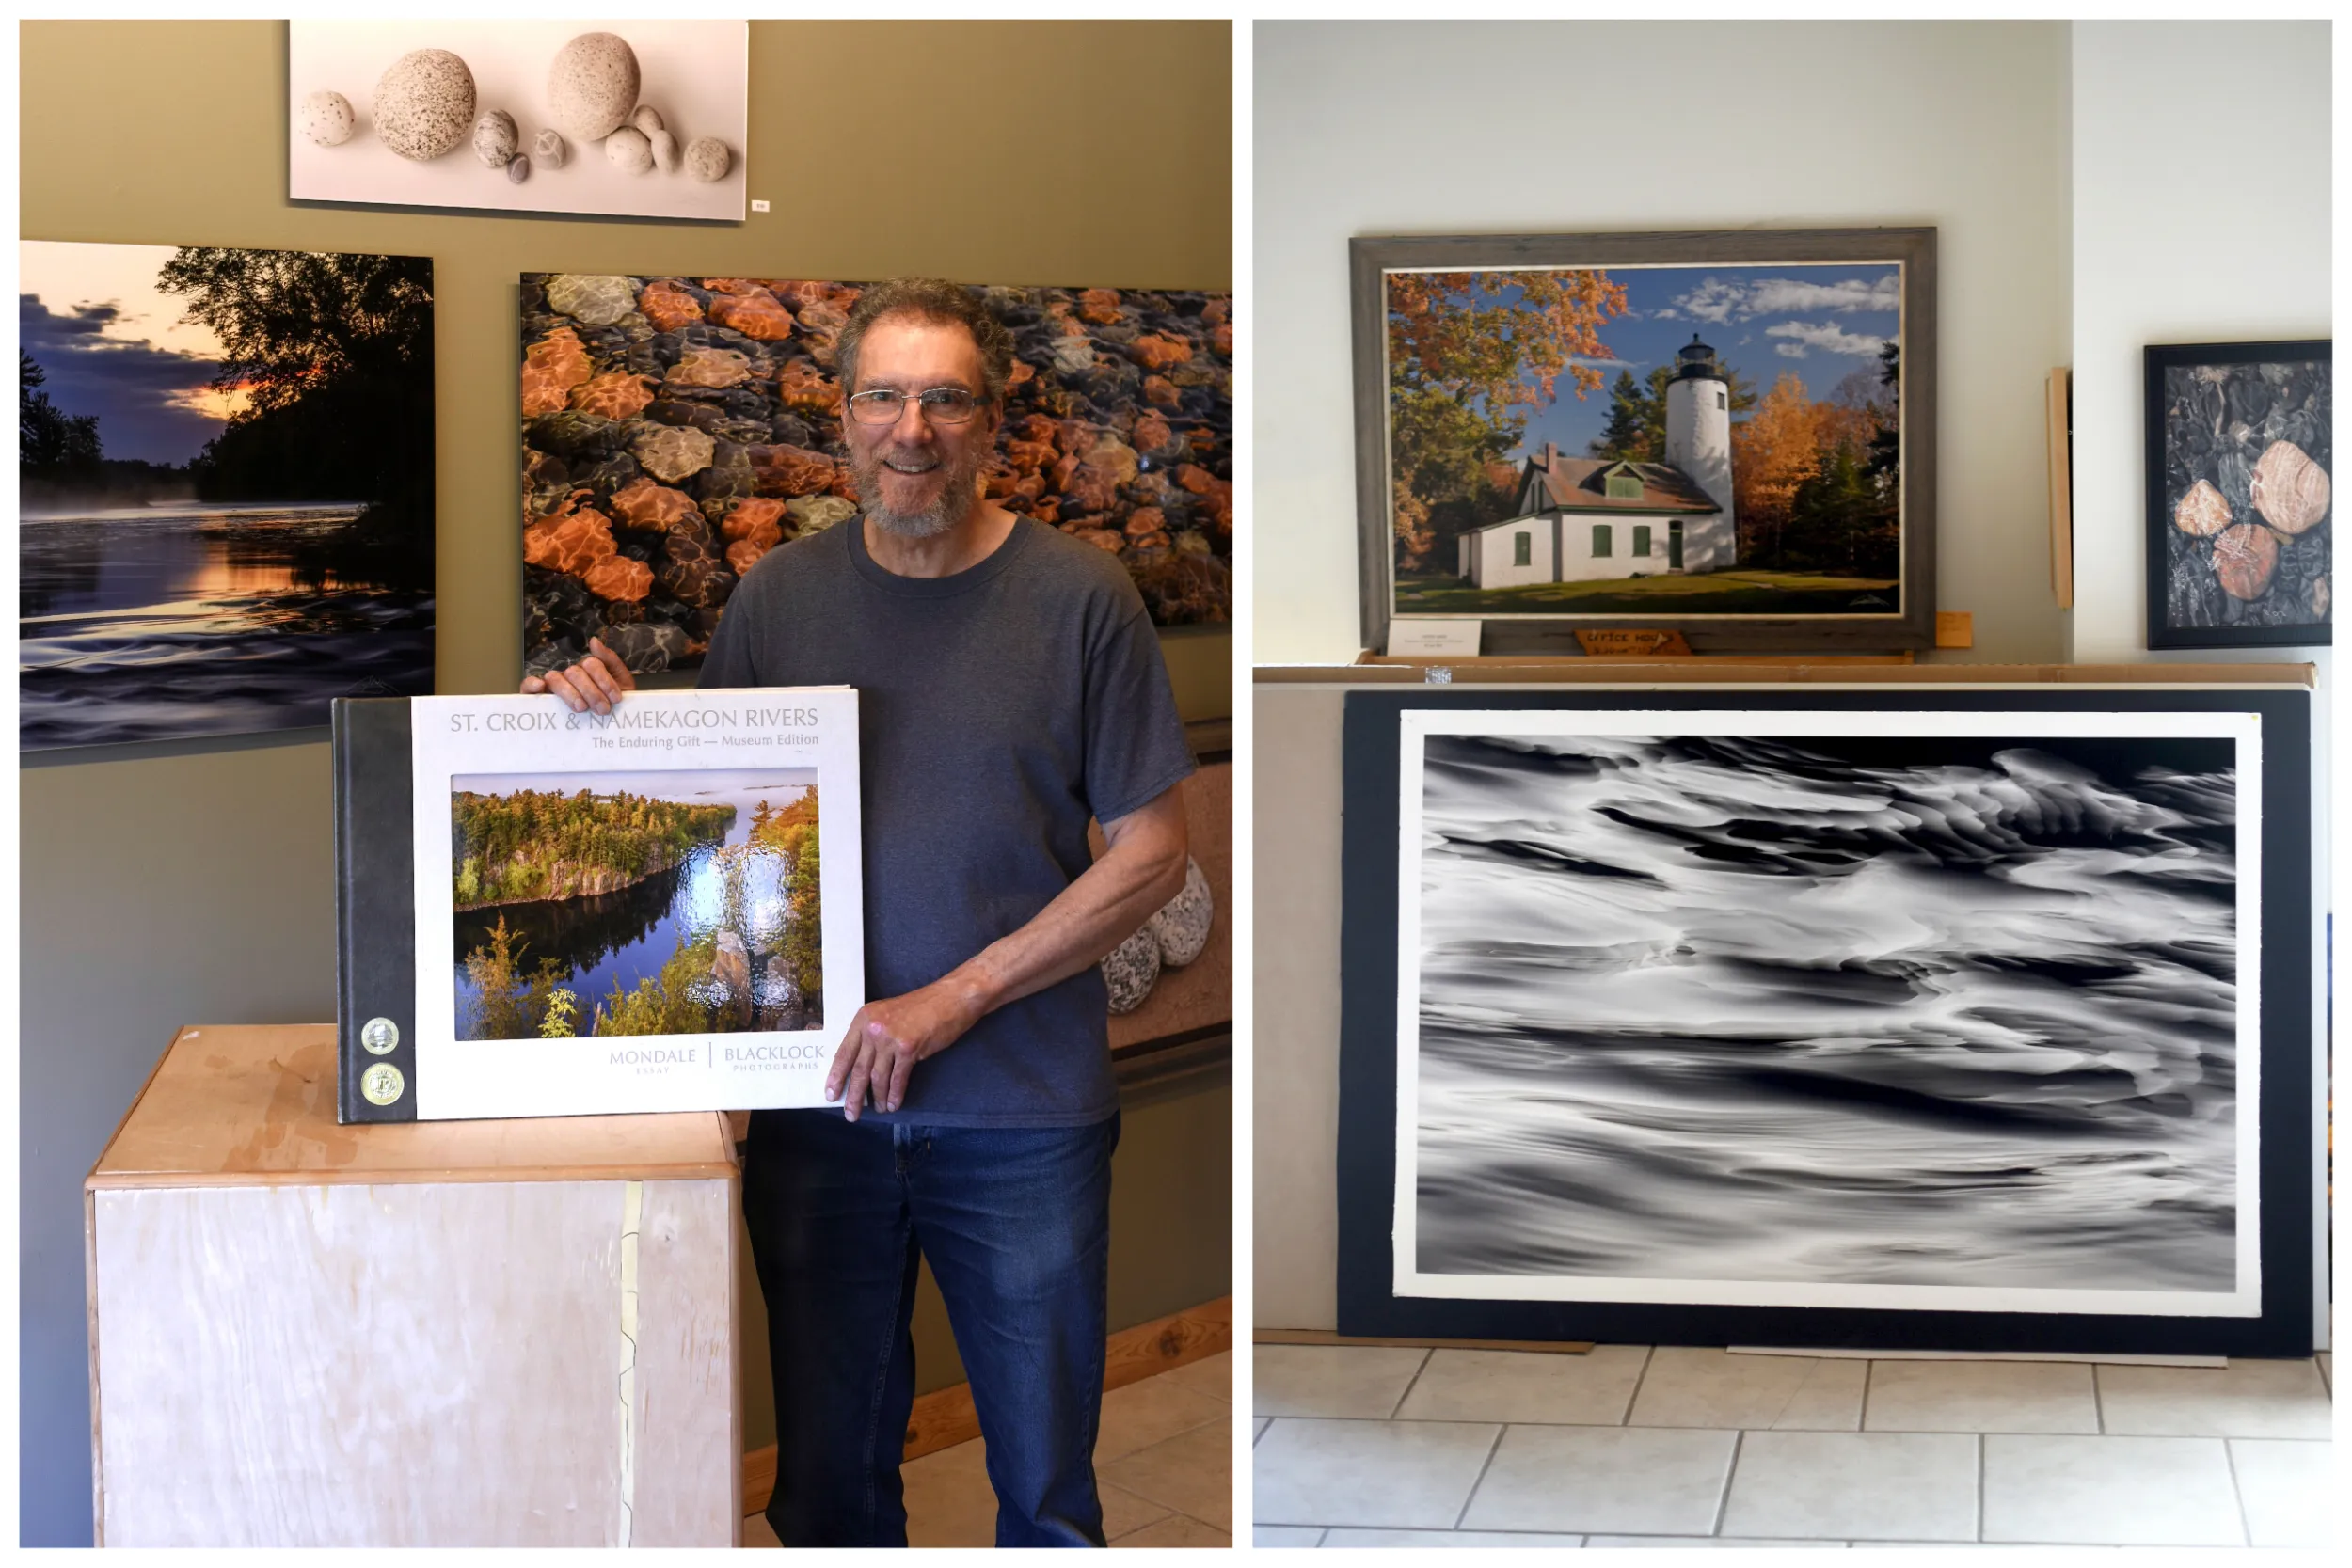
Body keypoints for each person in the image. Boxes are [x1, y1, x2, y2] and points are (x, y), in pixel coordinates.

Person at [526, 277, 1194, 1547]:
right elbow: (710, 822)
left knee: (1047, 1496)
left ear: (993, 423)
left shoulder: (1081, 597)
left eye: (946, 399)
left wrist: (955, 998)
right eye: (884, 395)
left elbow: (1155, 854)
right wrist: (563, 732)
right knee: (829, 1494)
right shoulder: (778, 598)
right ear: (841, 417)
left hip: (1021, 1114)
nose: (911, 428)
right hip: (817, 1112)